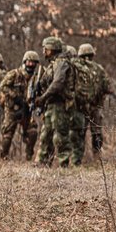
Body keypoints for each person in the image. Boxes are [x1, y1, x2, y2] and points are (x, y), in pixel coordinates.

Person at [70, 43, 116, 163]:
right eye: (85, 56)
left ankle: (94, 157)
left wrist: (115, 96)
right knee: (80, 133)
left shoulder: (98, 69)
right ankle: (78, 158)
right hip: (80, 106)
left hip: (94, 106)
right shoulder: (76, 68)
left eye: (89, 56)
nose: (87, 59)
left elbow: (107, 84)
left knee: (95, 133)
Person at [35, 37, 75, 167]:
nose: (43, 51)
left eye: (45, 48)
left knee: (60, 136)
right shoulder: (53, 64)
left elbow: (58, 83)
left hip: (60, 104)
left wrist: (43, 98)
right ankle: (43, 162)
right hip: (51, 104)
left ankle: (64, 164)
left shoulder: (62, 62)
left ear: (52, 49)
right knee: (45, 135)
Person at [0, 51, 40, 161]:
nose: (31, 65)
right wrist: (14, 96)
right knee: (7, 134)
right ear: (24, 62)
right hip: (13, 109)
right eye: (29, 62)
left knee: (33, 132)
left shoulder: (37, 78)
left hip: (27, 110)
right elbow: (3, 86)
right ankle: (4, 158)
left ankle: (28, 156)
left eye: (33, 63)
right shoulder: (14, 74)